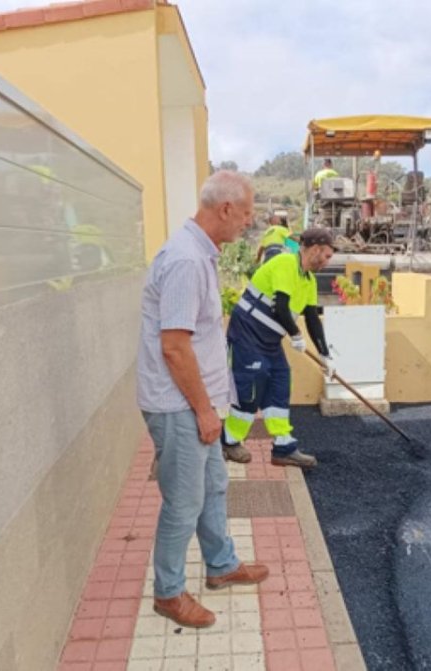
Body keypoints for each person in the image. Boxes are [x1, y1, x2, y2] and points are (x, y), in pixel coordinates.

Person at [137, 170, 269, 628]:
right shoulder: (187, 260)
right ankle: (168, 593)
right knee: (184, 500)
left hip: (196, 401)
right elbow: (174, 346)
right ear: (225, 208)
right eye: (247, 213)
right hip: (180, 406)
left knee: (212, 487)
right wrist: (203, 410)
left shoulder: (200, 255)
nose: (249, 223)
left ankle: (221, 565)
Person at [222, 227, 336, 468]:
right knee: (252, 384)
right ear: (314, 250)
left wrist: (325, 354)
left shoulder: (309, 281)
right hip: (247, 335)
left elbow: (313, 319)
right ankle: (229, 441)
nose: (328, 262)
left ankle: (284, 447)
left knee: (280, 381)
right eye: (326, 256)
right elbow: (281, 307)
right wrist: (295, 335)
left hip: (270, 341)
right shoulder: (286, 263)